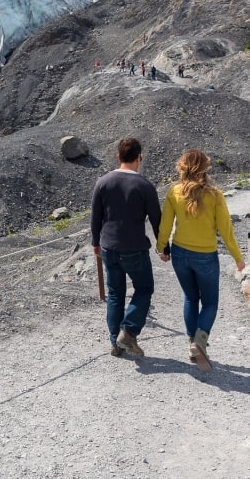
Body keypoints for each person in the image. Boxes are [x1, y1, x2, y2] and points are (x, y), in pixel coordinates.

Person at [155, 149, 245, 367]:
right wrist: (238, 258)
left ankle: (192, 343)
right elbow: (226, 230)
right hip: (205, 255)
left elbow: (165, 225)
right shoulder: (215, 195)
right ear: (205, 168)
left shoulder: (174, 191)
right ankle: (200, 341)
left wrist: (161, 248)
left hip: (179, 253)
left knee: (190, 298)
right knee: (211, 302)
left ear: (182, 166)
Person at [91, 137, 161, 358]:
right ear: (139, 158)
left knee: (114, 294)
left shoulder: (103, 182)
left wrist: (95, 243)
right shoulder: (145, 186)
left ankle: (115, 342)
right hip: (135, 248)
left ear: (118, 156)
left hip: (108, 247)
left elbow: (96, 217)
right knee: (144, 288)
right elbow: (157, 220)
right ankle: (128, 331)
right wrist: (163, 247)